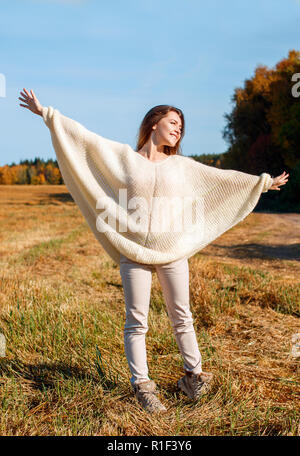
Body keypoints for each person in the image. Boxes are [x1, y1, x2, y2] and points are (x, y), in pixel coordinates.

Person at [19, 88, 289, 414]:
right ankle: (143, 386)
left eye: (181, 126)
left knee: (182, 316)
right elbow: (86, 141)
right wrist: (47, 113)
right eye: (173, 122)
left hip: (173, 250)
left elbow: (222, 180)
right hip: (133, 250)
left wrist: (261, 183)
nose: (178, 129)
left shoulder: (182, 166)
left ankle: (194, 377)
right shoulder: (125, 158)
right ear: (153, 123)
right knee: (136, 321)